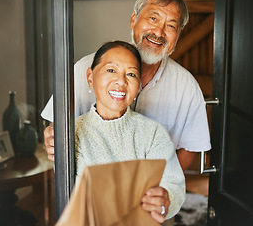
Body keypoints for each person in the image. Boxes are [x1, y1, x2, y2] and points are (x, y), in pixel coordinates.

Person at [42, 0, 211, 172]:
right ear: (133, 19)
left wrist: (161, 183)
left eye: (171, 25)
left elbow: (190, 147)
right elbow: (55, 125)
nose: (159, 32)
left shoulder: (186, 87)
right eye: (153, 18)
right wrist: (52, 137)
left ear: (177, 35)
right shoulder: (86, 68)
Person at [74, 40, 185, 224]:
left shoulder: (152, 133)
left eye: (131, 74)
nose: (121, 81)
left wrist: (165, 201)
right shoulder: (73, 133)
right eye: (111, 70)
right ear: (90, 77)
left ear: (138, 85)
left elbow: (173, 186)